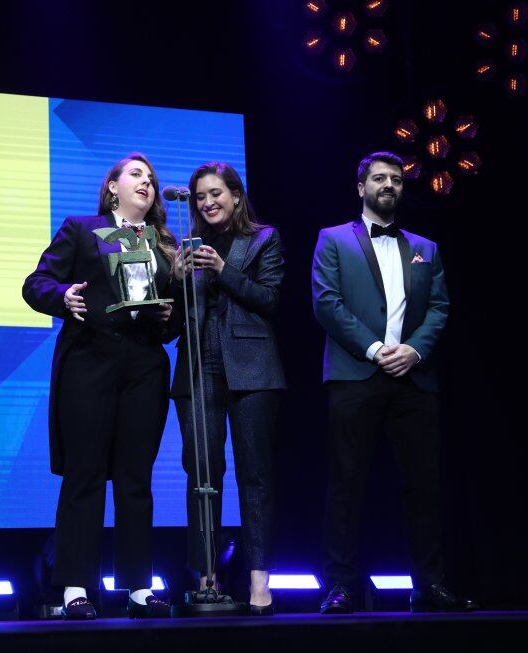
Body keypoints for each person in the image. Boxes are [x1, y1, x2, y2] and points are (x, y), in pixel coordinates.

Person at [312, 151, 478, 613]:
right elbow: (327, 303)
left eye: (397, 180)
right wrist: (374, 349)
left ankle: (429, 583)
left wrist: (414, 350)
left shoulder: (427, 246)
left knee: (424, 485)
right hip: (355, 375)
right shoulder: (332, 240)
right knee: (346, 482)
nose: (390, 185)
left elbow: (440, 307)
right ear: (360, 186)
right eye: (380, 178)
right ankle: (340, 585)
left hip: (414, 378)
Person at [22, 153, 176, 620]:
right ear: (112, 187)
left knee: (135, 478)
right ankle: (75, 587)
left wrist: (169, 319)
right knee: (84, 474)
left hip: (145, 365)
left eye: (150, 177)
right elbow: (36, 283)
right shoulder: (80, 227)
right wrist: (61, 297)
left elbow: (170, 316)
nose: (146, 183)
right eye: (135, 175)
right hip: (90, 359)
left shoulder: (163, 243)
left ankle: (137, 588)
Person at [170, 162, 285, 615]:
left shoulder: (262, 239)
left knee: (254, 476)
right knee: (202, 476)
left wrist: (222, 270)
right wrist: (175, 281)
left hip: (253, 369)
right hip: (199, 367)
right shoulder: (185, 245)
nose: (207, 203)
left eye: (216, 193)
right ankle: (206, 577)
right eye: (200, 196)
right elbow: (174, 318)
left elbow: (269, 299)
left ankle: (259, 583)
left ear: (235, 195)